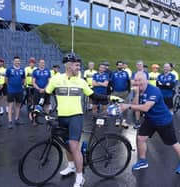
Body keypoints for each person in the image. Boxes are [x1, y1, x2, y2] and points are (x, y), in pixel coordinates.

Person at [36, 53, 122, 187]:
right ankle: (71, 166)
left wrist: (110, 98)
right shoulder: (56, 79)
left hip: (76, 116)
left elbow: (94, 95)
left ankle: (80, 176)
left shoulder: (81, 81)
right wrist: (37, 107)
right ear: (68, 65)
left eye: (79, 65)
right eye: (76, 65)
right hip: (62, 117)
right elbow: (46, 94)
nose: (79, 68)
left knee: (74, 145)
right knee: (66, 144)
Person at [119, 72, 180, 174]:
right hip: (150, 119)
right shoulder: (139, 90)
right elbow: (134, 105)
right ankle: (143, 161)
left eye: (140, 80)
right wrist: (137, 94)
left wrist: (127, 106)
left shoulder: (154, 91)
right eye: (136, 80)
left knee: (173, 143)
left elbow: (145, 108)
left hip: (163, 121)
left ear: (146, 80)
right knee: (140, 138)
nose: (138, 82)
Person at [5, 56, 26, 129]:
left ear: (20, 62)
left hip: (19, 91)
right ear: (13, 62)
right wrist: (9, 87)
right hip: (11, 90)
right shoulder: (9, 69)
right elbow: (6, 79)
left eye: (18, 61)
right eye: (16, 61)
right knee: (10, 106)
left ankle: (17, 119)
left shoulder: (22, 70)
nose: (17, 62)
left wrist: (22, 85)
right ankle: (10, 121)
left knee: (18, 106)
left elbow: (23, 79)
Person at [110, 61, 131, 127]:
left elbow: (128, 82)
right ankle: (117, 120)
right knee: (116, 106)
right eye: (119, 65)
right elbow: (110, 82)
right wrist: (112, 91)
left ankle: (124, 121)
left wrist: (128, 90)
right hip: (116, 92)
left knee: (125, 107)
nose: (120, 66)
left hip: (124, 92)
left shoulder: (125, 73)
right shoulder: (113, 73)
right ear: (117, 66)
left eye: (121, 65)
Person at [131, 60, 149, 129]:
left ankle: (146, 122)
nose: (139, 66)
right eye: (138, 64)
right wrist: (141, 82)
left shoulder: (146, 73)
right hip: (136, 92)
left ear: (142, 65)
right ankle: (137, 121)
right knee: (137, 107)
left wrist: (137, 82)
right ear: (136, 66)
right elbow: (132, 83)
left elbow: (146, 83)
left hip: (144, 92)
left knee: (145, 106)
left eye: (140, 64)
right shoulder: (134, 73)